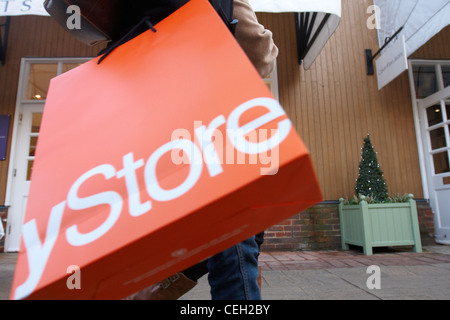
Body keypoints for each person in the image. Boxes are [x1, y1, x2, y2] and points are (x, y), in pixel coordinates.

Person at [124, 0, 278, 300]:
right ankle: (153, 288)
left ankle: (151, 288)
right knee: (233, 228)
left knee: (210, 227)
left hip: (149, 132)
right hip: (206, 126)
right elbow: (258, 53)